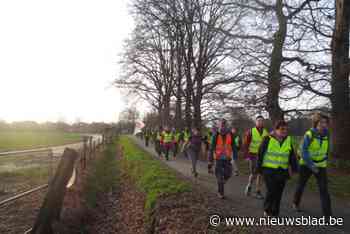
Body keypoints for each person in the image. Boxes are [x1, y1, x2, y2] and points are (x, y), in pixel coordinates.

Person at [293, 113, 332, 217]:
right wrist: (312, 165)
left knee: (324, 190)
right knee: (301, 185)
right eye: (321, 122)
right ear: (316, 123)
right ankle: (295, 203)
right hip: (306, 165)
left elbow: (327, 148)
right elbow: (304, 151)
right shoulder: (310, 134)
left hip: (321, 165)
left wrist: (326, 159)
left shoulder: (327, 133)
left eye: (325, 122)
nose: (324, 124)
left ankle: (327, 216)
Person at [257, 120, 298, 216]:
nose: (284, 131)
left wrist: (295, 168)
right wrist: (258, 169)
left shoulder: (288, 140)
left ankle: (275, 212)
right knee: (271, 190)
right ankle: (267, 209)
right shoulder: (267, 139)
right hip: (269, 170)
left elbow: (291, 155)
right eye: (282, 129)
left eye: (286, 129)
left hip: (282, 170)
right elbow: (260, 154)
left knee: (279, 192)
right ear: (276, 130)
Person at [243, 115, 269, 199]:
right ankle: (249, 185)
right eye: (259, 121)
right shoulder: (251, 131)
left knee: (260, 174)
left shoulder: (266, 132)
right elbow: (246, 144)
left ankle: (258, 191)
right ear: (256, 122)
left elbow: (268, 145)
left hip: (262, 156)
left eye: (262, 121)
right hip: (253, 155)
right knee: (254, 173)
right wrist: (246, 156)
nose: (260, 122)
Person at [208, 119, 234, 199]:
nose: (223, 126)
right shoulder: (215, 135)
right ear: (219, 126)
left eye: (224, 125)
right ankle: (220, 193)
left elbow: (233, 146)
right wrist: (210, 160)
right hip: (218, 159)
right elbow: (211, 148)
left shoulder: (230, 134)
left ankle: (222, 182)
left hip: (227, 158)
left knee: (228, 174)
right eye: (221, 125)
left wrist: (234, 156)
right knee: (219, 176)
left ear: (227, 126)